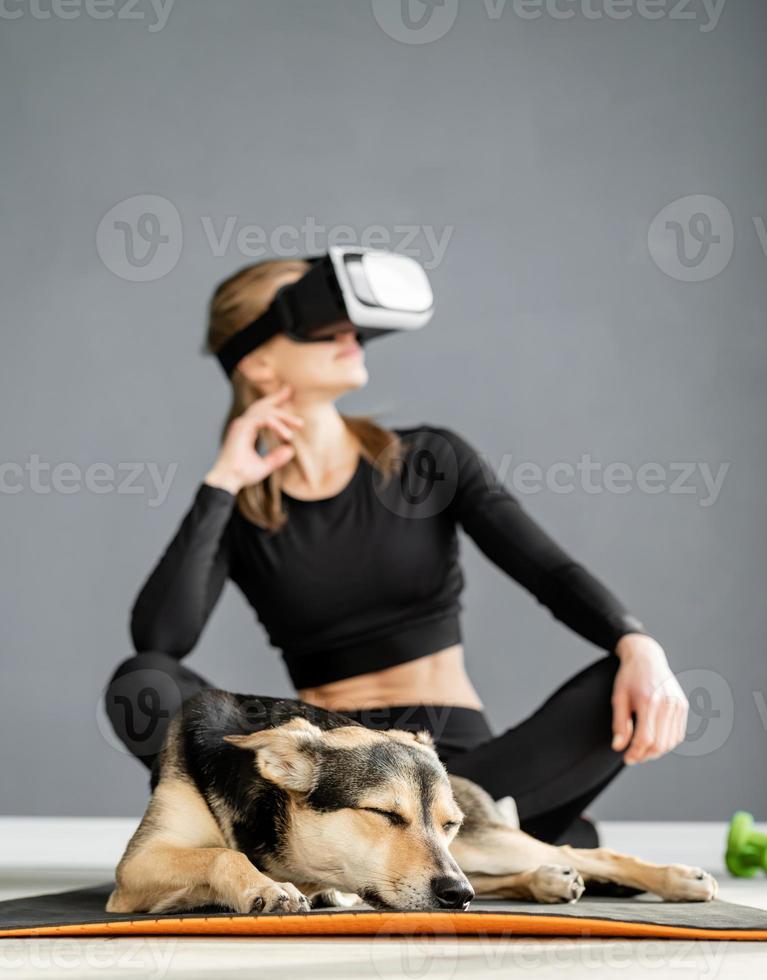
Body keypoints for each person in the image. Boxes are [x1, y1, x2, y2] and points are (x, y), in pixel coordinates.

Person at [104, 258, 689, 848]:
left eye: (350, 324)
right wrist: (224, 481)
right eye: (320, 325)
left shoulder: (428, 460)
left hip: (456, 765)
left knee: (627, 670)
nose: (348, 336)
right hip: (339, 779)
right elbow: (160, 641)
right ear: (256, 361)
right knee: (142, 684)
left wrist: (635, 640)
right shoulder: (240, 510)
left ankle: (432, 836)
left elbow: (550, 572)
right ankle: (487, 842)